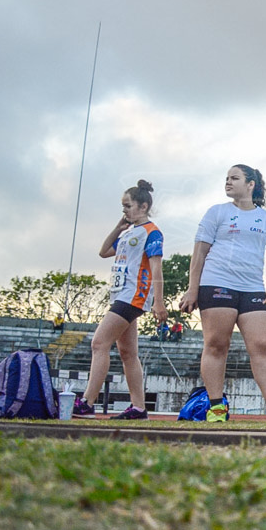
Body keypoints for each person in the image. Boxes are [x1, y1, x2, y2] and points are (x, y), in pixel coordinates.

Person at [178, 165, 266, 424]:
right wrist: (192, 288)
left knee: (262, 346)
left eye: (235, 178)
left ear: (251, 184)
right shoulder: (217, 212)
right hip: (217, 283)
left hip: (253, 288)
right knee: (217, 345)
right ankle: (216, 406)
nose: (228, 182)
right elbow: (199, 252)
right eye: (227, 178)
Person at [73, 180, 166, 420]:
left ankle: (87, 402)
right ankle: (139, 408)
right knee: (127, 353)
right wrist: (118, 228)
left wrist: (159, 302)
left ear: (143, 206)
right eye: (123, 206)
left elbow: (157, 268)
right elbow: (104, 252)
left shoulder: (151, 232)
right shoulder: (128, 233)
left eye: (128, 206)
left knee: (99, 343)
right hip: (121, 293)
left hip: (134, 295)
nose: (124, 210)